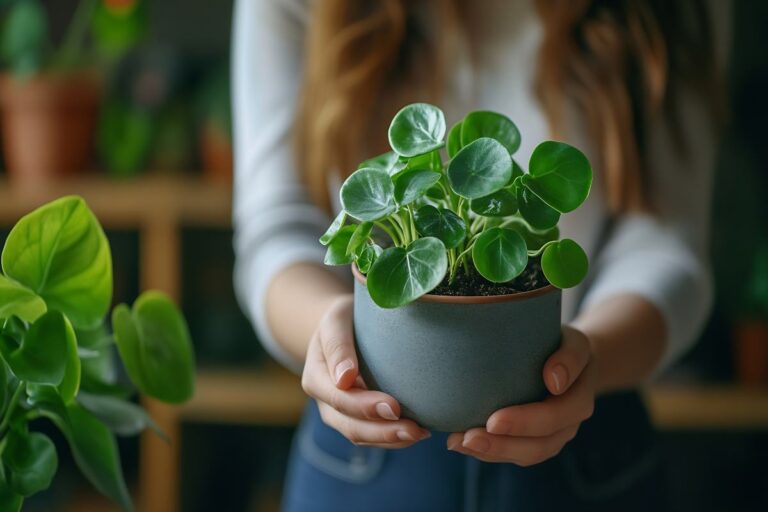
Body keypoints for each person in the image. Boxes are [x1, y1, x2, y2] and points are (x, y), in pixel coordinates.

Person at [232, 0, 728, 510]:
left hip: (587, 429)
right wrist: (331, 333)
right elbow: (276, 227)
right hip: (366, 434)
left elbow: (666, 246)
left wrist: (591, 357)